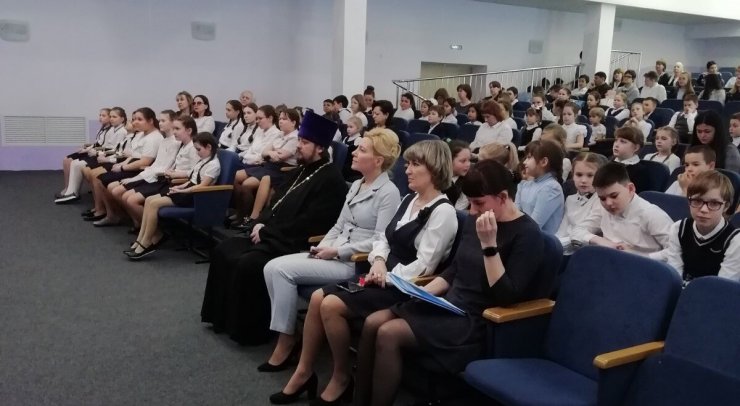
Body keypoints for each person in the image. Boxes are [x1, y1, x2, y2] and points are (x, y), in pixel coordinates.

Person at [270, 140, 458, 405]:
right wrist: (378, 261)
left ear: (435, 169)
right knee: (317, 298)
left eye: (415, 165)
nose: (407, 170)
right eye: (408, 164)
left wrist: (386, 275)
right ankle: (304, 371)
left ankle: (341, 377)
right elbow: (383, 239)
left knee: (330, 304)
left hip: (403, 288)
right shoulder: (409, 200)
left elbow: (424, 265)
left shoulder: (443, 212)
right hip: (379, 274)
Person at [357, 159, 546, 406]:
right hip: (449, 304)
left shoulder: (528, 234)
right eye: (470, 203)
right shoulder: (475, 220)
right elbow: (455, 269)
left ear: (502, 197)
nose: (473, 211)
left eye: (479, 203)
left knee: (389, 333)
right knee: (373, 322)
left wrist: (489, 246)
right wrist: (422, 292)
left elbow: (505, 296)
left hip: (476, 319)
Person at [260, 128, 401, 374]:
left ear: (378, 160)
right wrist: (322, 247)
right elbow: (338, 225)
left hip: (354, 262)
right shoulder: (357, 184)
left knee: (280, 270)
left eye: (362, 150)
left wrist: (336, 251)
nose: (354, 153)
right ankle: (289, 333)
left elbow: (380, 240)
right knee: (271, 267)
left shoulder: (389, 192)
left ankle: (286, 340)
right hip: (333, 253)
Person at [201, 111, 348, 346]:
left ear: (320, 148)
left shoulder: (331, 180)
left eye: (304, 142)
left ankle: (251, 331)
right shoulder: (299, 171)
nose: (298, 146)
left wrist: (267, 232)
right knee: (223, 249)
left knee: (248, 264)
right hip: (272, 233)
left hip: (293, 241)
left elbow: (311, 221)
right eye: (299, 140)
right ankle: (221, 319)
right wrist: (260, 222)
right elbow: (275, 203)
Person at [125, 132, 221, 260]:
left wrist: (184, 191)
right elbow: (192, 178)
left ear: (209, 147)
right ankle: (140, 239)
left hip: (196, 196)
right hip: (188, 190)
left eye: (199, 149)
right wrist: (180, 187)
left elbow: (201, 186)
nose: (197, 153)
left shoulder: (213, 165)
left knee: (154, 204)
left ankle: (147, 242)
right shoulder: (203, 160)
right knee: (149, 200)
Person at [116, 114, 200, 230]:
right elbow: (161, 165)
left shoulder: (184, 145)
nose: (160, 123)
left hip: (168, 180)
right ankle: (144, 231)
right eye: (159, 120)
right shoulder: (176, 143)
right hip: (165, 178)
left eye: (177, 128)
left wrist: (173, 173)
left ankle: (153, 232)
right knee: (127, 195)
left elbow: (194, 173)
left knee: (132, 199)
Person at [572, 162, 672, 255]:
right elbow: (577, 231)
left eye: (614, 196)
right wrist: (601, 241)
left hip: (644, 265)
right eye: (602, 198)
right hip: (609, 260)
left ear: (630, 189)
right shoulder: (602, 209)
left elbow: (675, 252)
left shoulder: (652, 215)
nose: (608, 203)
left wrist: (639, 256)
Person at [662, 170, 740, 283]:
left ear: (726, 206)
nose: (703, 209)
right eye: (697, 201)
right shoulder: (678, 228)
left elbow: (721, 286)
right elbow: (675, 276)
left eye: (714, 203)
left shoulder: (735, 241)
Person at [91, 108, 164, 226]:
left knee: (110, 185)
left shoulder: (154, 137)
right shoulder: (142, 134)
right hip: (132, 166)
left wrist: (122, 168)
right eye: (134, 119)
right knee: (100, 179)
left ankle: (136, 221)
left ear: (150, 121)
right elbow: (132, 155)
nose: (135, 122)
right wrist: (122, 164)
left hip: (140, 171)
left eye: (139, 119)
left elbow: (144, 162)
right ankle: (115, 215)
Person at [56, 107, 127, 204]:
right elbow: (104, 145)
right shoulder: (113, 130)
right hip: (104, 155)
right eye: (111, 116)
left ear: (122, 119)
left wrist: (97, 153)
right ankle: (70, 191)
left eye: (114, 117)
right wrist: (90, 148)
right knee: (74, 163)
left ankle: (73, 192)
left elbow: (116, 150)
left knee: (77, 164)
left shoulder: (122, 131)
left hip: (109, 158)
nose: (111, 119)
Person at [557, 152, 608, 249]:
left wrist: (559, 244)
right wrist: (555, 243)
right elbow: (562, 230)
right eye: (579, 175)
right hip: (564, 246)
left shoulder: (601, 200)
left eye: (590, 175)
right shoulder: (570, 199)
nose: (583, 180)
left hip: (585, 248)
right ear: (572, 175)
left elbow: (587, 230)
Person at [516, 140, 564, 233]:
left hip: (542, 239)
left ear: (544, 162)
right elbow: (514, 215)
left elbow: (534, 225)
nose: (524, 162)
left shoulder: (551, 187)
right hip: (524, 234)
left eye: (529, 157)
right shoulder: (525, 184)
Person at [445, 140, 472, 210]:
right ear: (449, 160)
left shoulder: (468, 181)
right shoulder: (434, 176)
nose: (468, 164)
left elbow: (458, 210)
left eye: (469, 160)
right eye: (463, 161)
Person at [339, 116, 364, 182]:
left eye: (351, 127)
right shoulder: (346, 138)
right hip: (344, 161)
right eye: (347, 127)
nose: (348, 129)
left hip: (351, 164)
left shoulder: (359, 139)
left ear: (358, 128)